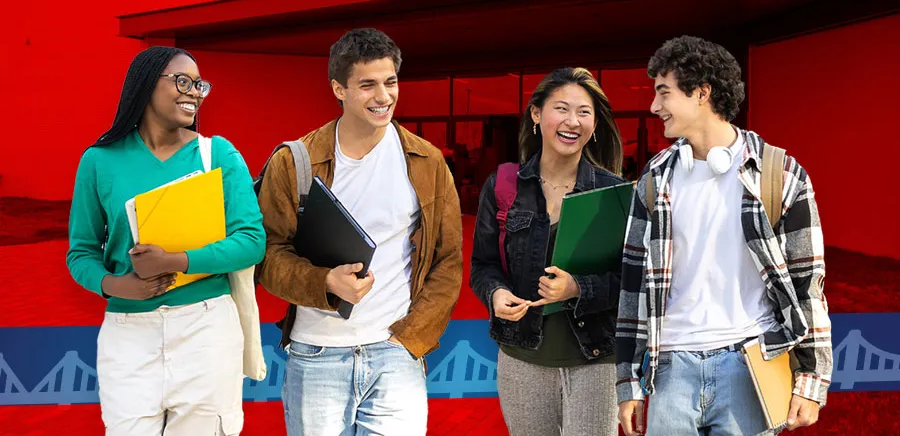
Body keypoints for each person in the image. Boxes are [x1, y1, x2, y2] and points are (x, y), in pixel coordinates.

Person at [616, 36, 832, 436]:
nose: (654, 106)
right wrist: (628, 382)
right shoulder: (654, 179)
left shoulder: (780, 174)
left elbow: (809, 285)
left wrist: (811, 380)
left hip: (752, 367)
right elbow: (633, 288)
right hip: (671, 372)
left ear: (702, 93)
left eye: (664, 93)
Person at [257, 28, 463, 436]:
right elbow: (267, 255)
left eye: (390, 82)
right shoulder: (295, 161)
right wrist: (325, 282)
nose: (383, 96)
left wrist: (410, 340)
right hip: (315, 354)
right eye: (367, 85)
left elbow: (448, 259)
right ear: (339, 89)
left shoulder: (426, 161)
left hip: (395, 354)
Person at [66, 46, 266, 436]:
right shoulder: (99, 161)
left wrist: (175, 260)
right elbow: (81, 252)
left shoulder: (218, 155)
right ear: (145, 84)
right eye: (181, 81)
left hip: (206, 328)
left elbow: (252, 240)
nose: (193, 92)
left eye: (198, 85)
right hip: (128, 332)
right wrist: (116, 285)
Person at [470, 67, 625, 436]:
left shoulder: (613, 193)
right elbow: (483, 265)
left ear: (595, 124)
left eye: (584, 112)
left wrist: (578, 289)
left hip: (596, 360)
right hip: (522, 358)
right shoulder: (503, 186)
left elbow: (631, 281)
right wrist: (496, 294)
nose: (573, 121)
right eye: (562, 109)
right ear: (537, 115)